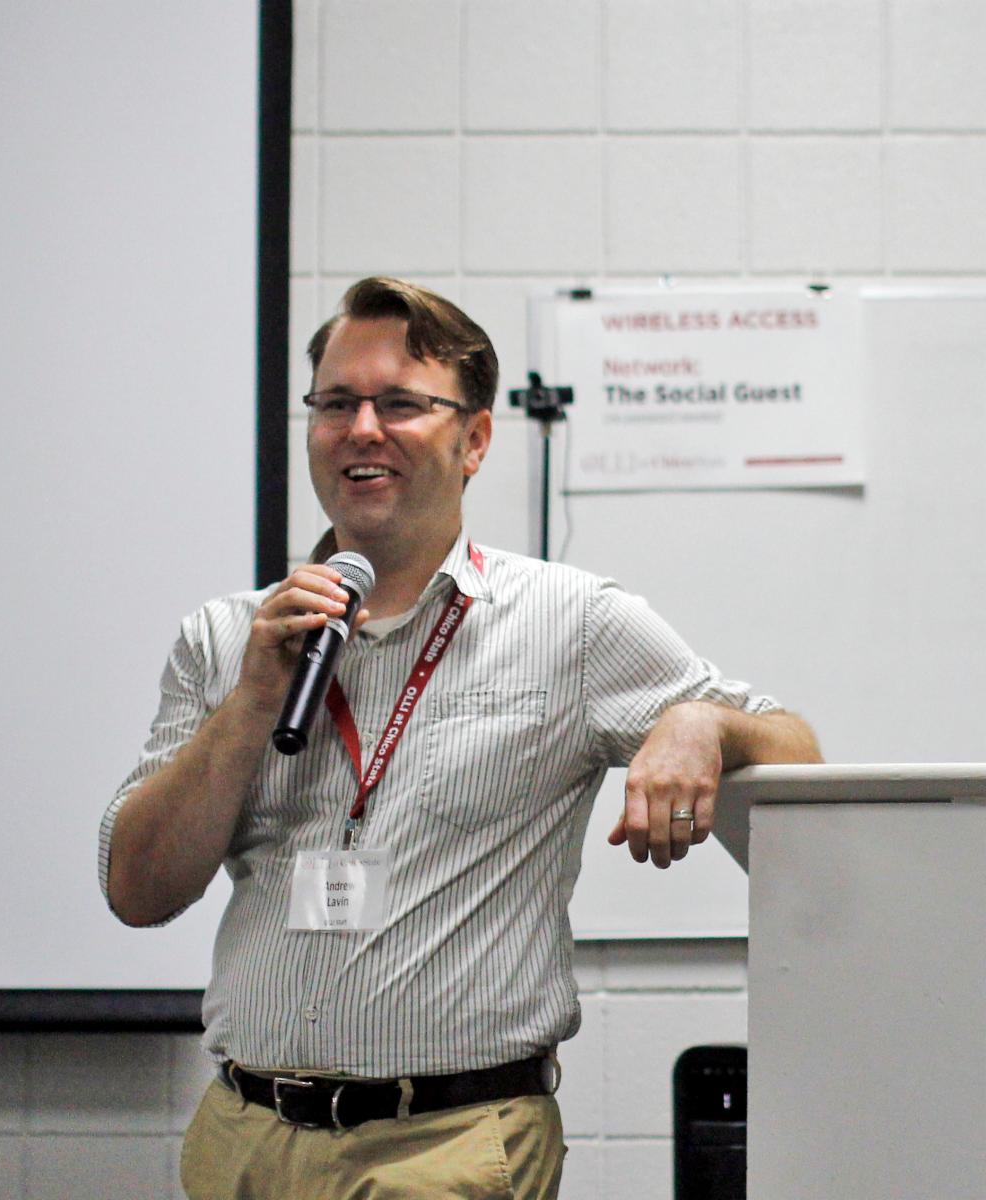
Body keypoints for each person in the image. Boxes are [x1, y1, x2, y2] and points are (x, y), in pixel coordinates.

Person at [99, 277, 821, 1199]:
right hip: (244, 1139)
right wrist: (248, 702)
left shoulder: (572, 623)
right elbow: (138, 891)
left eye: (400, 404)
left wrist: (702, 721)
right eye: (335, 404)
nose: (361, 428)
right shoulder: (226, 637)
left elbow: (800, 751)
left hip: (446, 1146)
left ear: (474, 439)